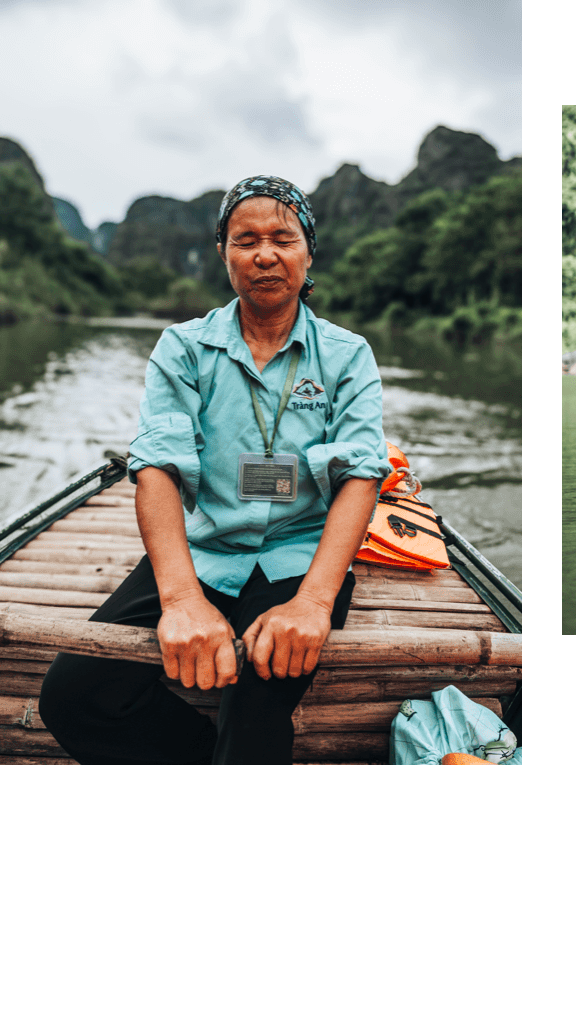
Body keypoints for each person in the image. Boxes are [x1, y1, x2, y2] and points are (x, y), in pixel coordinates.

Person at [39, 175, 388, 764]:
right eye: (245, 239)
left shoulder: (347, 355)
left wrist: (312, 604)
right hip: (204, 552)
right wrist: (178, 599)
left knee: (257, 700)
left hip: (298, 554)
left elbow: (360, 475)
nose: (266, 254)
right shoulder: (184, 348)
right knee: (74, 696)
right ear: (223, 253)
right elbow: (157, 467)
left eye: (283, 237)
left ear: (308, 251)